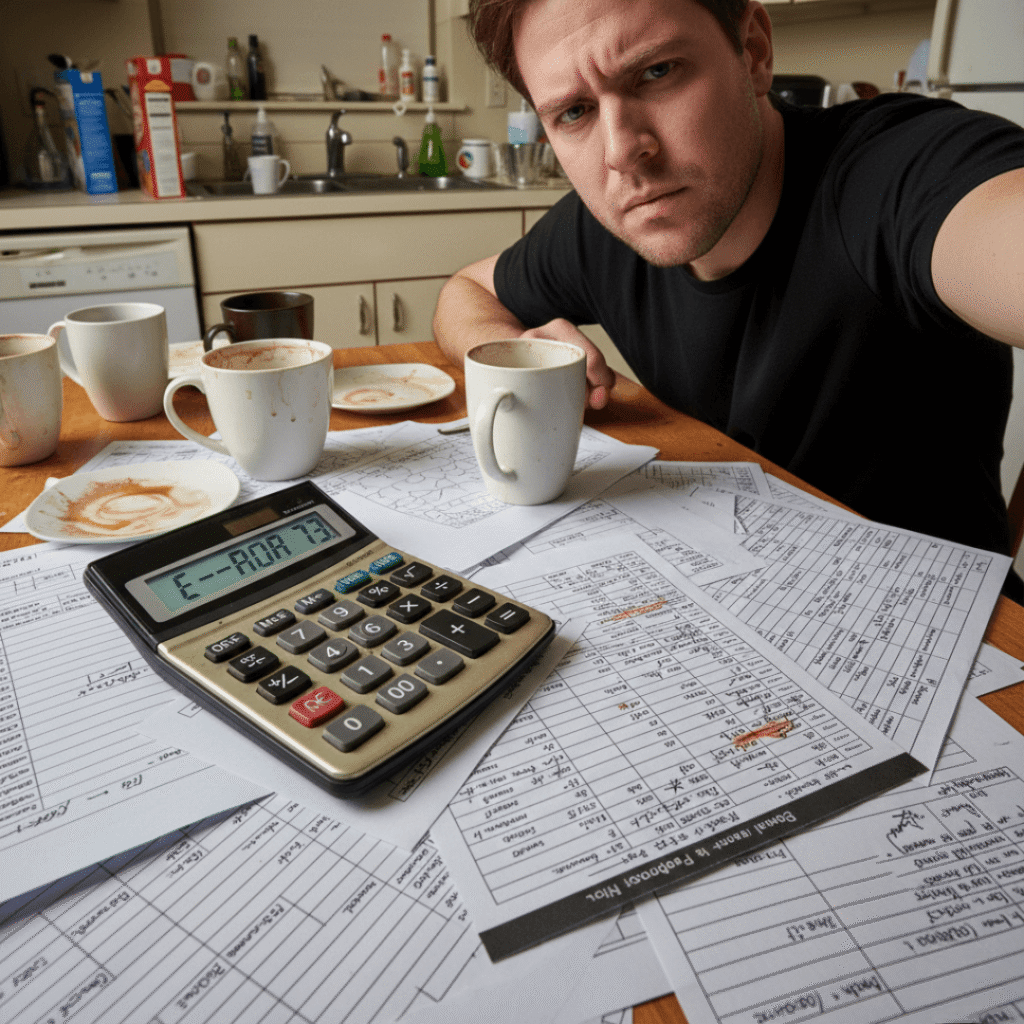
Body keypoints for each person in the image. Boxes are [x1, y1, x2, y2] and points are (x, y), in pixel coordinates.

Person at [432, 0, 1024, 599]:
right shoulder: (612, 225)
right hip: (737, 605)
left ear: (754, 52)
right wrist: (508, 353)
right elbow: (466, 290)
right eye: (575, 112)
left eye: (656, 73)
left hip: (951, 643)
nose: (621, 153)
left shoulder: (892, 170)